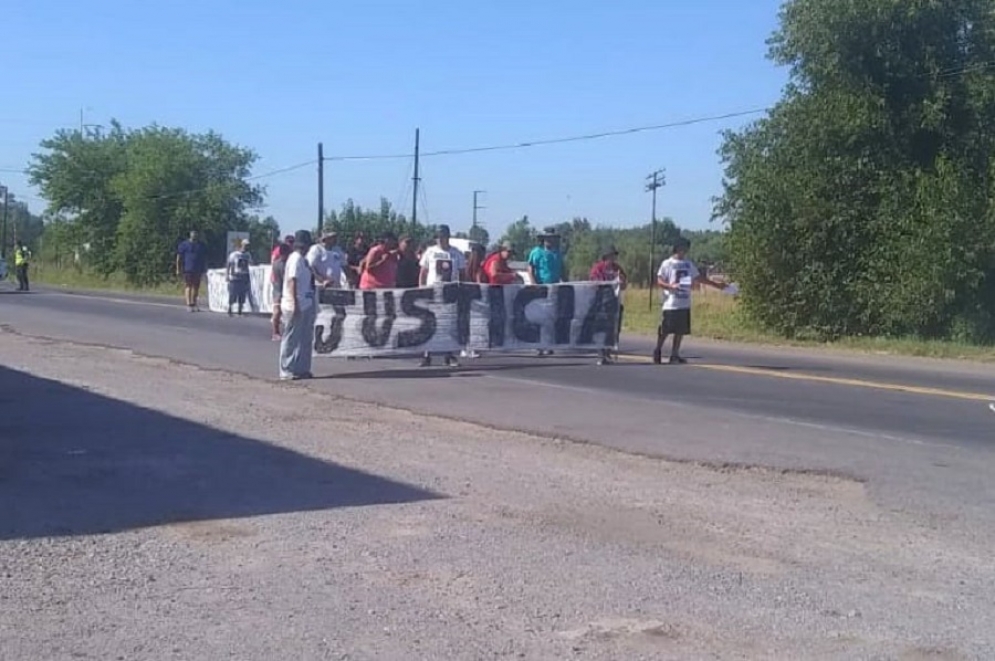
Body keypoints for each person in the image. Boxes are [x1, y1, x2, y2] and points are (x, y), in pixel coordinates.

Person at [652, 237, 728, 365]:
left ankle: (674, 354)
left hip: (684, 301)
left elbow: (699, 278)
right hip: (671, 303)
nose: (685, 251)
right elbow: (659, 280)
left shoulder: (688, 264)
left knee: (680, 330)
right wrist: (670, 287)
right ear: (677, 248)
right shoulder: (667, 263)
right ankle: (658, 349)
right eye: (683, 248)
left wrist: (716, 285)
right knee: (666, 329)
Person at [418, 224, 467, 367]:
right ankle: (426, 355)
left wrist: (462, 289)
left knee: (448, 324)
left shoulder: (456, 253)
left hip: (449, 293)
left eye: (443, 237)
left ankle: (449, 355)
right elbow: (423, 272)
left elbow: (462, 273)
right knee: (429, 323)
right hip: (432, 291)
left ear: (447, 237)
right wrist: (421, 288)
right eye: (438, 237)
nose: (440, 240)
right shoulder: (430, 252)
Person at [279, 230, 317, 381]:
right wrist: (295, 303)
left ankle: (302, 368)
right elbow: (292, 281)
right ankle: (286, 369)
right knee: (292, 338)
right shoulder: (295, 259)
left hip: (306, 302)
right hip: (295, 303)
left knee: (305, 338)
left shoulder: (304, 260)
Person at [527, 231, 564, 355]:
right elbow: (530, 268)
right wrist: (533, 283)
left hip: (554, 287)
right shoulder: (536, 252)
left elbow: (562, 270)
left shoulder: (557, 253)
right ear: (543, 240)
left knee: (551, 316)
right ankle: (539, 345)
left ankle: (549, 344)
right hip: (540, 287)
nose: (550, 241)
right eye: (548, 238)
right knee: (539, 316)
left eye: (552, 238)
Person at [589, 246, 628, 365]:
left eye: (614, 256)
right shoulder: (598, 268)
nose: (613, 258)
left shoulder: (617, 268)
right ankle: (601, 353)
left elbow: (624, 284)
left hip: (615, 302)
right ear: (605, 257)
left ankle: (608, 351)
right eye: (611, 256)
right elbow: (593, 283)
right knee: (602, 328)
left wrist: (621, 282)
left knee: (614, 328)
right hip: (601, 302)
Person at [176, 230, 207, 312]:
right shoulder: (184, 245)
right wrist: (178, 268)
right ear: (190, 235)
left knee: (196, 287)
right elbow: (179, 257)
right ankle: (188, 304)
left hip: (198, 269)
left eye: (196, 234)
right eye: (193, 234)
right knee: (188, 286)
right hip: (188, 269)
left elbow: (203, 258)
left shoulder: (201, 245)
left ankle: (194, 303)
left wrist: (204, 269)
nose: (194, 235)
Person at [226, 238, 254, 316]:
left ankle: (240, 310)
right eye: (245, 245)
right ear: (242, 245)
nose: (246, 247)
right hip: (235, 276)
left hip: (244, 276)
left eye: (248, 245)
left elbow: (251, 264)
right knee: (233, 293)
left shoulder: (248, 255)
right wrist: (227, 275)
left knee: (242, 294)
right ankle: (230, 308)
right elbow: (229, 264)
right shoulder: (234, 254)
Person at [270, 242, 291, 341]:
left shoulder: (285, 263)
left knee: (283, 312)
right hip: (279, 288)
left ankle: (283, 332)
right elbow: (281, 279)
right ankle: (275, 332)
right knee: (277, 311)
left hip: (281, 288)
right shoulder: (279, 264)